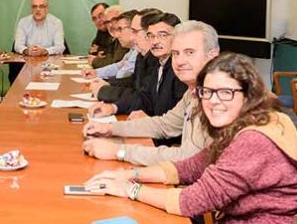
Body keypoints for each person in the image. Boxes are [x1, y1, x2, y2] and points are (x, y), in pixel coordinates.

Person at [84, 53, 297, 223]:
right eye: (207, 92)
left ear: (248, 96)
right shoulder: (242, 125)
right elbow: (190, 167)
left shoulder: (254, 139)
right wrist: (129, 174)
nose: (213, 101)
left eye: (226, 92)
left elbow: (191, 201)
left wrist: (129, 189)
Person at [82, 21, 219, 166]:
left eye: (189, 52)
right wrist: (110, 128)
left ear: (212, 56)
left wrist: (119, 151)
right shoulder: (194, 90)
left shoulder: (218, 96)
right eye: (176, 54)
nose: (180, 61)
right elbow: (164, 125)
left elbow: (187, 157)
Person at [89, 13, 187, 122]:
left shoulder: (181, 69)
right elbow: (146, 99)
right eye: (151, 36)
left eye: (163, 35)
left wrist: (151, 121)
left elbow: (178, 123)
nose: (155, 41)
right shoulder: (161, 63)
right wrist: (114, 107)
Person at [89, 9, 160, 103]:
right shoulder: (141, 55)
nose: (110, 26)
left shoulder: (153, 58)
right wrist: (107, 84)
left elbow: (144, 99)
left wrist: (105, 90)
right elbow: (133, 81)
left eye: (135, 31)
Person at [84, 10, 138, 88]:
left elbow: (122, 74)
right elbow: (118, 66)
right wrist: (96, 73)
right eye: (107, 22)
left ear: (133, 29)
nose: (117, 35)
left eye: (120, 29)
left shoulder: (138, 50)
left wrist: (107, 83)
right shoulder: (132, 49)